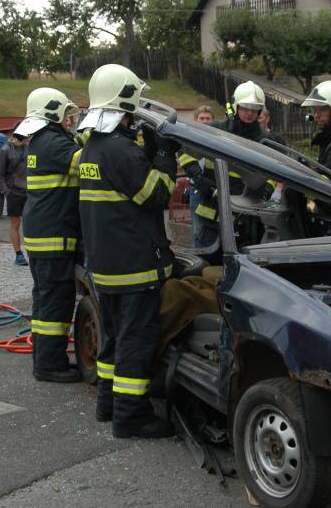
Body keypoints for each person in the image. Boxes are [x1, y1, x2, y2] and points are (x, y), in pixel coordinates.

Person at [79, 63, 178, 439]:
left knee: (115, 339)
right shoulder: (121, 151)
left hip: (107, 267)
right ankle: (131, 417)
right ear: (125, 101)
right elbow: (156, 194)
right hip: (134, 268)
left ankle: (108, 404)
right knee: (136, 342)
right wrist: (165, 155)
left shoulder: (93, 148)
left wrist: (149, 152)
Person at [17, 87, 82, 382]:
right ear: (53, 112)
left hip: (43, 234)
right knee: (56, 300)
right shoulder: (54, 143)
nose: (70, 119)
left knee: (45, 301)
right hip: (53, 237)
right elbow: (88, 162)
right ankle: (49, 365)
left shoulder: (42, 141)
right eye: (66, 113)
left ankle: (46, 359)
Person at [185, 81, 270, 247]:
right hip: (211, 215)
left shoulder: (264, 139)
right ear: (236, 106)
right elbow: (184, 150)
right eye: (245, 107)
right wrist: (199, 178)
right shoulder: (216, 130)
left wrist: (266, 191)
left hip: (245, 216)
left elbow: (275, 173)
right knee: (209, 266)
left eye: (254, 109)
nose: (250, 113)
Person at [179, 106, 214, 247]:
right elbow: (184, 158)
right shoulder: (189, 138)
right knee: (199, 230)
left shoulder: (218, 139)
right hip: (197, 190)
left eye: (208, 118)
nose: (205, 122)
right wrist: (199, 179)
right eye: (202, 118)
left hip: (214, 190)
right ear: (195, 120)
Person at [0, 124, 29, 266]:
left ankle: (32, 252)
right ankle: (19, 254)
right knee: (16, 223)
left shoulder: (30, 148)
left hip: (29, 191)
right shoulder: (5, 150)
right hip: (13, 192)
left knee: (30, 223)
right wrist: (6, 192)